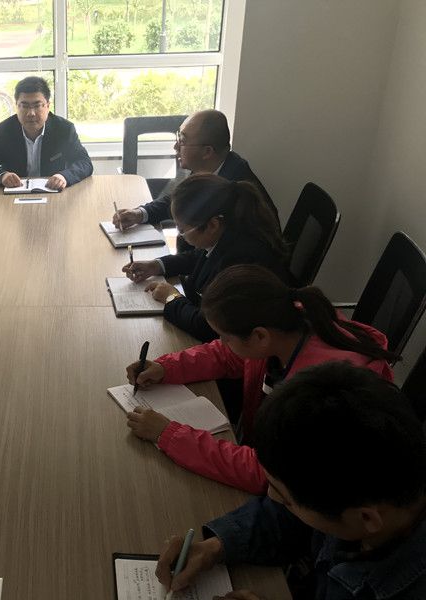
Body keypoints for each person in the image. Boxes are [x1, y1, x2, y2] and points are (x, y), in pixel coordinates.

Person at [156, 362, 426, 600]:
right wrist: (215, 546)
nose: (272, 497)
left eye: (285, 498)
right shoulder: (358, 487)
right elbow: (289, 519)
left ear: (367, 519)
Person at [125, 264, 397, 495]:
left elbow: (268, 474)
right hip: (264, 444)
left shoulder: (320, 397)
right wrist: (165, 368)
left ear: (259, 336)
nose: (222, 343)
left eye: (226, 337)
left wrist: (168, 434)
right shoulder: (285, 322)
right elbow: (228, 356)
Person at [123, 174, 290, 342]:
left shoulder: (240, 262)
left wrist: (172, 298)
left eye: (182, 230)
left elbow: (208, 327)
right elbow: (198, 257)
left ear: (212, 225)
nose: (180, 236)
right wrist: (156, 266)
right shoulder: (229, 234)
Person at [112, 109, 277, 230]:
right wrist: (139, 213)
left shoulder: (232, 190)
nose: (175, 146)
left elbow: (208, 254)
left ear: (207, 152)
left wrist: (164, 264)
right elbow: (173, 200)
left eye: (182, 141)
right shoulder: (200, 167)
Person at [0, 76, 93, 190]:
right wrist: (2, 176)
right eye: (25, 106)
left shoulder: (64, 129)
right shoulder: (4, 130)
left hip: (52, 192)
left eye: (37, 106)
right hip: (14, 194)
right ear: (17, 106)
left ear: (48, 106)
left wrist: (64, 176)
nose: (31, 113)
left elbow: (84, 162)